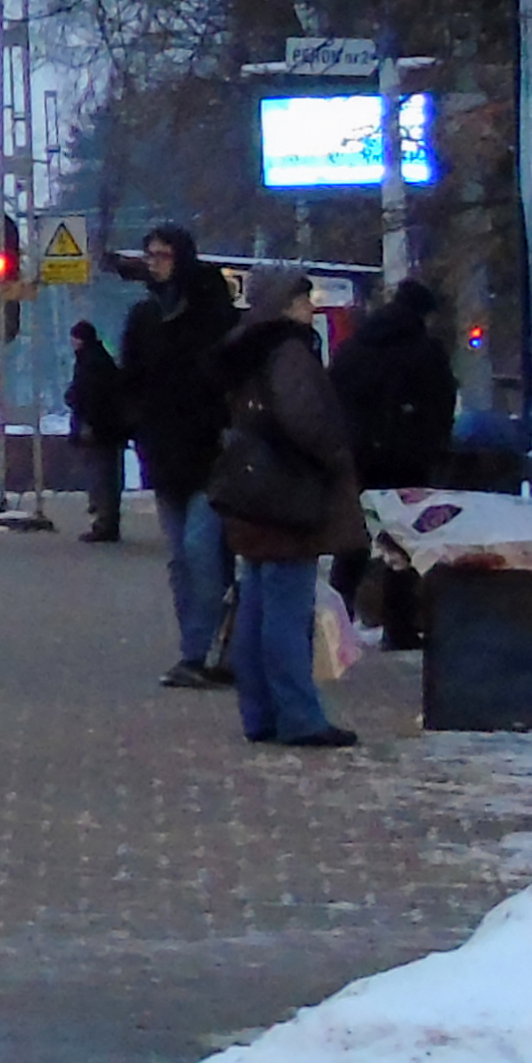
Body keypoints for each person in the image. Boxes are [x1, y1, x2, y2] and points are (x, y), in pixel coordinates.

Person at [208, 267, 368, 748]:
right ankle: (299, 716)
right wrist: (335, 454)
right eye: (302, 299)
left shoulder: (245, 348)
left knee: (256, 603)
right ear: (284, 304)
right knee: (286, 610)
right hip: (290, 495)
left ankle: (260, 712)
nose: (310, 307)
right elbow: (306, 419)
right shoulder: (290, 350)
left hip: (254, 492)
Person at [120, 223, 240, 686]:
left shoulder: (211, 313)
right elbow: (131, 378)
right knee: (180, 557)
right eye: (149, 254)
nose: (154, 263)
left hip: (212, 453)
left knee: (201, 550)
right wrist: (136, 423)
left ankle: (209, 650)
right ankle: (196, 651)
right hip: (165, 454)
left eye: (163, 255)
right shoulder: (144, 318)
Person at [333, 276, 461, 491]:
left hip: (355, 457)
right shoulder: (427, 353)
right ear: (425, 315)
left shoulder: (351, 348)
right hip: (410, 464)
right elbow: (440, 405)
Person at [62, 320, 131, 541]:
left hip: (100, 430)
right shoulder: (98, 358)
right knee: (106, 476)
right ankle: (105, 520)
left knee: (102, 476)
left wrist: (84, 417)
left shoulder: (91, 362)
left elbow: (89, 396)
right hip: (108, 429)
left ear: (80, 339)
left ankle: (105, 523)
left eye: (74, 338)